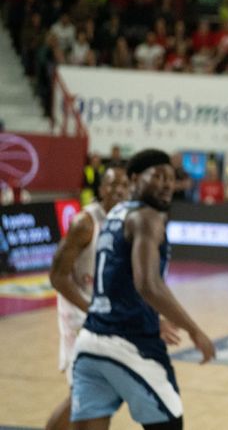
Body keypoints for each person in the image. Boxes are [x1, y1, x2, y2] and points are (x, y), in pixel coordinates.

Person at [69, 149, 215, 429]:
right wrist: (194, 329)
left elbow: (122, 281)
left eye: (170, 178)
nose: (166, 184)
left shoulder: (115, 214)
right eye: (157, 176)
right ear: (135, 178)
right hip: (129, 344)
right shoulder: (147, 218)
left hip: (90, 342)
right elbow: (148, 285)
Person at [46, 168, 131, 430]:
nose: (119, 190)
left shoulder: (126, 222)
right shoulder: (85, 223)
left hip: (102, 318)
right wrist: (92, 309)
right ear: (101, 190)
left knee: (97, 396)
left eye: (124, 185)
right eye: (112, 185)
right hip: (78, 316)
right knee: (84, 395)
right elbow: (57, 277)